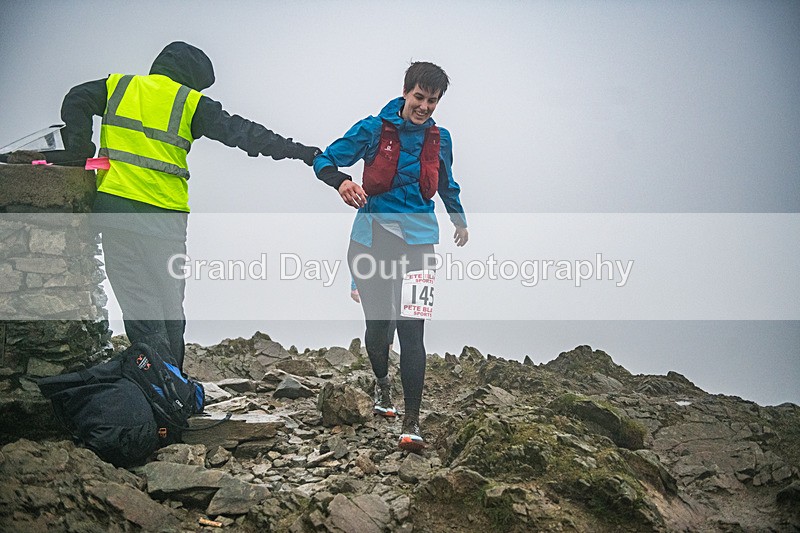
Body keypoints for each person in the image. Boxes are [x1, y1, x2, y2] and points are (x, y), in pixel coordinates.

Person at [41, 41, 320, 370]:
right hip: (167, 222)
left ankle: (162, 390)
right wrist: (302, 152)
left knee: (141, 307)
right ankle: (174, 388)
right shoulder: (191, 103)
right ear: (192, 78)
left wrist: (79, 147)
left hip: (119, 214)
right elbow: (248, 134)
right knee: (170, 309)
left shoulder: (120, 87)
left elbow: (76, 98)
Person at [314, 61, 468, 451]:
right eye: (419, 98)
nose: (424, 107)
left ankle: (412, 423)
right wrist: (343, 182)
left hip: (420, 243)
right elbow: (324, 160)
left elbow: (447, 183)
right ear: (405, 93)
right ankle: (383, 388)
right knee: (379, 327)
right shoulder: (372, 129)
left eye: (432, 101)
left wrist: (459, 220)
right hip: (371, 240)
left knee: (412, 331)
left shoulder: (440, 138)